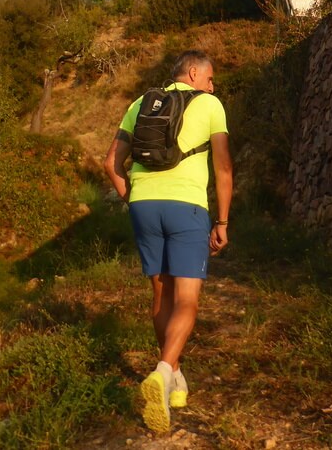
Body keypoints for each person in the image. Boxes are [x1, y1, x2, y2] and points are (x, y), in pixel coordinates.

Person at [103, 50, 233, 433]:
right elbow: (223, 166)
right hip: (187, 208)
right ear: (194, 73)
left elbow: (111, 161)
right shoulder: (210, 105)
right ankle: (161, 372)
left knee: (161, 296)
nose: (213, 86)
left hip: (144, 204)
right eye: (210, 78)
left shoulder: (141, 103)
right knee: (187, 299)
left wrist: (134, 197)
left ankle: (174, 374)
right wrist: (222, 219)